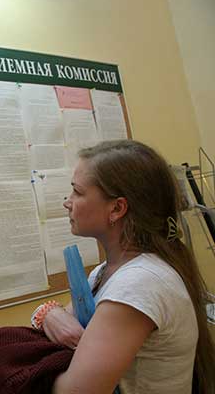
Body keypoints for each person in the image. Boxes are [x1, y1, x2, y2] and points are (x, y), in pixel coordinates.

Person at [37, 140, 215, 394]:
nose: (68, 202)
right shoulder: (104, 273)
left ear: (117, 208)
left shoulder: (141, 282)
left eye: (77, 191)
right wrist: (47, 313)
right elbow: (61, 320)